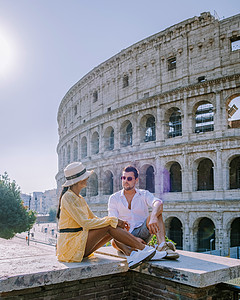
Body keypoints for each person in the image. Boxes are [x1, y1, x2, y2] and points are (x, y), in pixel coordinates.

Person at [56, 161, 156, 269]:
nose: (87, 179)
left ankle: (131, 255)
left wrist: (114, 222)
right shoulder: (68, 197)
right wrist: (113, 221)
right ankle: (144, 249)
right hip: (71, 247)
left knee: (112, 225)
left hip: (78, 244)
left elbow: (94, 219)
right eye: (86, 177)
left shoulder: (78, 198)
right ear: (79, 180)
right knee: (110, 224)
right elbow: (85, 223)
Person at [108, 165, 179, 259]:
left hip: (143, 231)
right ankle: (146, 249)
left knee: (157, 212)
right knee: (114, 240)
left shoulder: (144, 194)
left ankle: (162, 246)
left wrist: (153, 216)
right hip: (125, 235)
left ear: (136, 180)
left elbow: (158, 203)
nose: (125, 181)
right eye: (123, 178)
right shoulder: (114, 198)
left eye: (129, 178)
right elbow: (113, 222)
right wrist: (133, 240)